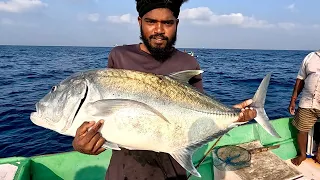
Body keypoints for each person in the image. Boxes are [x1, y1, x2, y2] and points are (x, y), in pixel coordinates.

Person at [72, 0, 257, 179]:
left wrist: (232, 116)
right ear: (139, 22)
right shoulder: (120, 56)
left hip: (172, 170)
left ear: (177, 23)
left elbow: (197, 115)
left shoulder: (188, 63)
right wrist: (84, 142)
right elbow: (111, 119)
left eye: (167, 23)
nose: (159, 30)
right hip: (124, 170)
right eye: (151, 22)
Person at [288, 50, 320, 166]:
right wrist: (293, 100)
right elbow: (300, 79)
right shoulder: (310, 57)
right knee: (301, 130)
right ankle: (302, 154)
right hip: (307, 102)